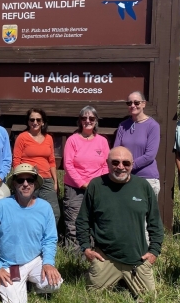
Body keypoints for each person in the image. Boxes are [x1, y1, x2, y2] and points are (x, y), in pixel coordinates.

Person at [75, 147, 164, 297]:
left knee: (149, 298)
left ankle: (125, 281)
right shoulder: (96, 185)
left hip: (137, 258)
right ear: (107, 163)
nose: (120, 167)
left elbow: (155, 222)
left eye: (126, 163)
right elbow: (83, 221)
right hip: (105, 258)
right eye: (115, 162)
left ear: (132, 164)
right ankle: (101, 275)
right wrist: (86, 249)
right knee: (91, 297)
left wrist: (154, 251)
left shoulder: (143, 186)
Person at [0, 164, 63, 303]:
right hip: (11, 264)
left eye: (30, 180)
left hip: (35, 259)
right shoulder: (2, 206)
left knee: (55, 283)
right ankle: (10, 283)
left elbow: (50, 239)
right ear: (14, 184)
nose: (25, 184)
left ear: (35, 183)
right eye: (20, 180)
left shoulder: (45, 207)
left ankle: (32, 284)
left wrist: (48, 262)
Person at [63, 106, 109, 251]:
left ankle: (93, 254)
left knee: (95, 221)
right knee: (74, 223)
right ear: (80, 121)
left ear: (96, 121)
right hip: (74, 189)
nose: (88, 121)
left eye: (91, 118)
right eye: (84, 118)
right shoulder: (72, 140)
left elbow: (106, 165)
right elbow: (68, 165)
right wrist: (82, 183)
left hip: (97, 188)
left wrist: (95, 183)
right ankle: (75, 258)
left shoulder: (102, 141)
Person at [12, 108, 60, 224]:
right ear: (28, 122)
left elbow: (52, 161)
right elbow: (16, 160)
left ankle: (48, 239)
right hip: (28, 179)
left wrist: (55, 182)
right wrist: (18, 180)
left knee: (54, 212)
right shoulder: (22, 137)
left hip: (46, 179)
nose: (35, 122)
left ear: (43, 122)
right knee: (29, 211)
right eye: (32, 119)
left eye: (38, 120)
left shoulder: (48, 138)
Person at [114, 91, 161, 196]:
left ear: (143, 104)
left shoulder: (153, 126)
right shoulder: (122, 126)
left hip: (146, 178)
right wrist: (124, 168)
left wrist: (128, 166)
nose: (132, 105)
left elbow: (150, 156)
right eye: (129, 103)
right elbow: (116, 151)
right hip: (125, 177)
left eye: (136, 103)